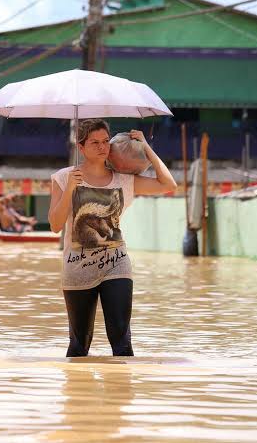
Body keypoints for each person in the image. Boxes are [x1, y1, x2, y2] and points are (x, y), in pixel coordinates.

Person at [48, 119, 176, 357]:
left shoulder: (124, 180)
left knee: (122, 342)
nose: (102, 147)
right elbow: (56, 225)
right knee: (79, 344)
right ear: (81, 147)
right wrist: (70, 191)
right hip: (77, 268)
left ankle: (121, 392)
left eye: (106, 141)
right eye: (94, 142)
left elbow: (168, 184)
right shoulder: (64, 178)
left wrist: (146, 146)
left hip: (117, 264)